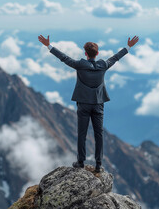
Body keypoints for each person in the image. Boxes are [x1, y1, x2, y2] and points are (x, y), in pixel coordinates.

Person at [38, 35, 139, 172]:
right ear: (97, 54)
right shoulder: (103, 65)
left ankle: (80, 162)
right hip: (98, 104)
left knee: (82, 133)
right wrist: (128, 47)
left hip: (84, 104)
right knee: (99, 134)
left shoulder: (80, 65)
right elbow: (115, 58)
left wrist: (48, 46)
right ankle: (98, 164)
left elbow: (64, 58)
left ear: (85, 53)